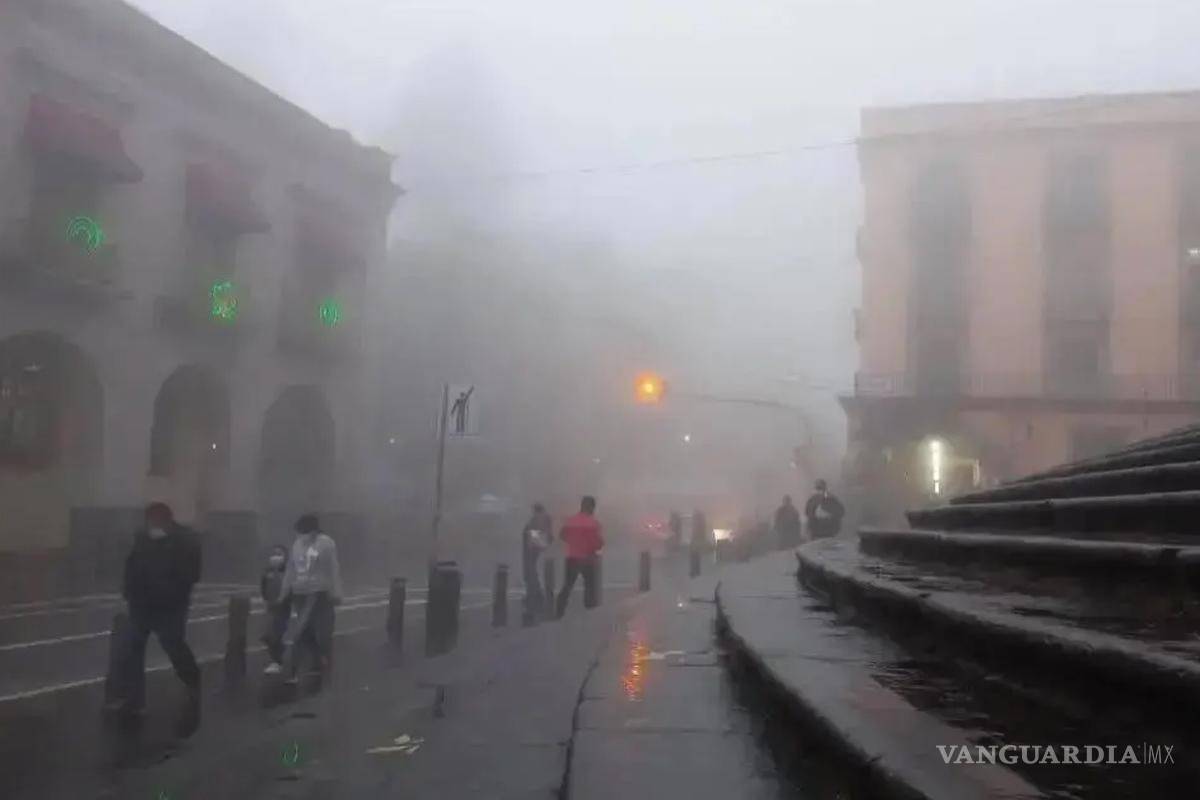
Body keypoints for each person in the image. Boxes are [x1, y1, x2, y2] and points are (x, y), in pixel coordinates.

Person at [109, 502, 202, 736]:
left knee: (173, 644)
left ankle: (192, 680)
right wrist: (128, 591)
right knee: (132, 648)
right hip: (141, 603)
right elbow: (132, 565)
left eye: (157, 522)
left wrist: (170, 592)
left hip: (171, 605)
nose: (153, 527)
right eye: (150, 522)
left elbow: (191, 574)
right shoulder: (142, 537)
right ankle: (134, 700)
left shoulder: (185, 540)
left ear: (168, 521)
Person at [280, 514, 343, 687]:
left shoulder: (326, 543)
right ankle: (314, 665)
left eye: (304, 531)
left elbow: (333, 567)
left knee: (321, 631)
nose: (301, 535)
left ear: (313, 530)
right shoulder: (297, 544)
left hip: (320, 593)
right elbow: (291, 569)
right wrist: (285, 590)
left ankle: (320, 666)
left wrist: (336, 592)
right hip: (301, 592)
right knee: (305, 631)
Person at [555, 496, 604, 618]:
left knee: (568, 585)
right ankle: (589, 610)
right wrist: (598, 545)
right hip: (587, 558)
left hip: (572, 557)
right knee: (589, 585)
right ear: (591, 507)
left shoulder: (571, 520)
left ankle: (559, 609)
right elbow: (597, 542)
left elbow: (562, 535)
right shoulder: (593, 523)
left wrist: (573, 542)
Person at [259, 545, 291, 673]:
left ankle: (278, 662)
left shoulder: (288, 572)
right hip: (271, 607)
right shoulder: (268, 571)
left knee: (274, 635)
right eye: (274, 554)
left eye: (279, 554)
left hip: (283, 608)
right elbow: (263, 585)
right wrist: (266, 598)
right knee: (268, 636)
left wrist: (285, 601)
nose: (275, 557)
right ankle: (280, 655)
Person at [521, 503, 553, 621]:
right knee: (531, 569)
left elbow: (535, 536)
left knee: (530, 570)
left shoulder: (539, 519)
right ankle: (536, 596)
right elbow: (547, 536)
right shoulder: (544, 518)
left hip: (533, 544)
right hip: (536, 543)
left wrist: (530, 540)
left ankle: (535, 597)